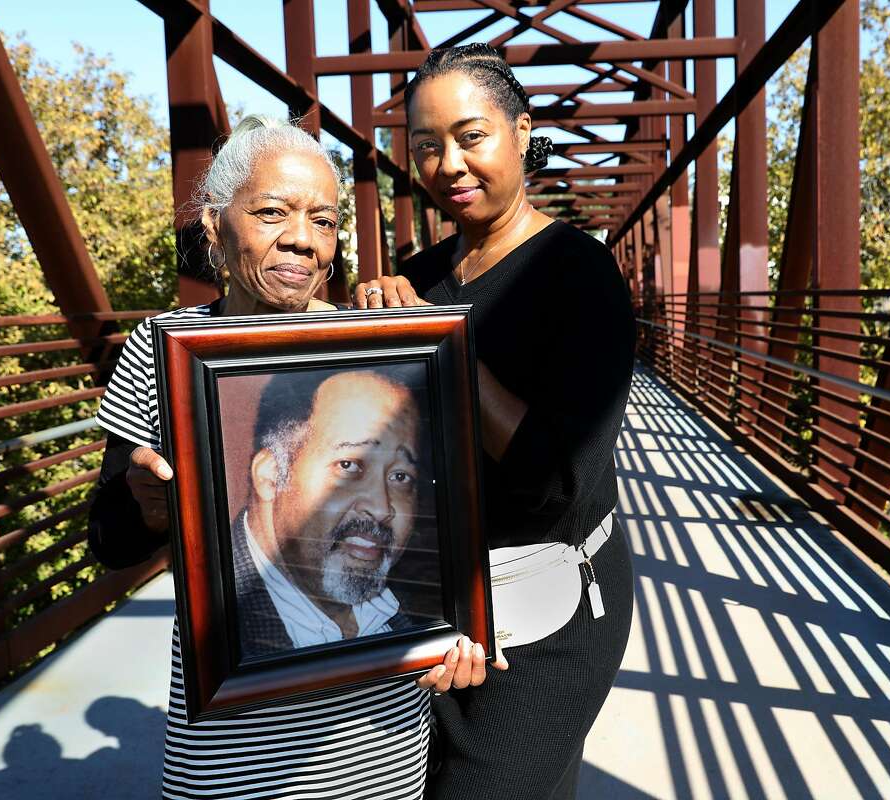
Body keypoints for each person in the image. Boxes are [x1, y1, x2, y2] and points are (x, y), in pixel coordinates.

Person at [88, 114, 484, 800]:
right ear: (215, 224)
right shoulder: (162, 351)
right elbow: (109, 543)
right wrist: (146, 506)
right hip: (231, 764)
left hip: (381, 756)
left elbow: (442, 537)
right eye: (272, 212)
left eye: (326, 221)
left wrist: (460, 628)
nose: (303, 239)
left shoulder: (384, 346)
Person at [355, 44, 636, 800]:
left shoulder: (578, 272)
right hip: (438, 607)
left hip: (549, 612)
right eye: (425, 147)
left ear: (520, 131)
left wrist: (440, 344)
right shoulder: (418, 276)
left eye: (471, 136)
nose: (448, 164)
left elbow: (558, 482)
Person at [234, 366, 440, 656]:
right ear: (271, 475)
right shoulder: (214, 629)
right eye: (349, 465)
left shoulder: (422, 616)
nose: (381, 508)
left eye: (400, 476)